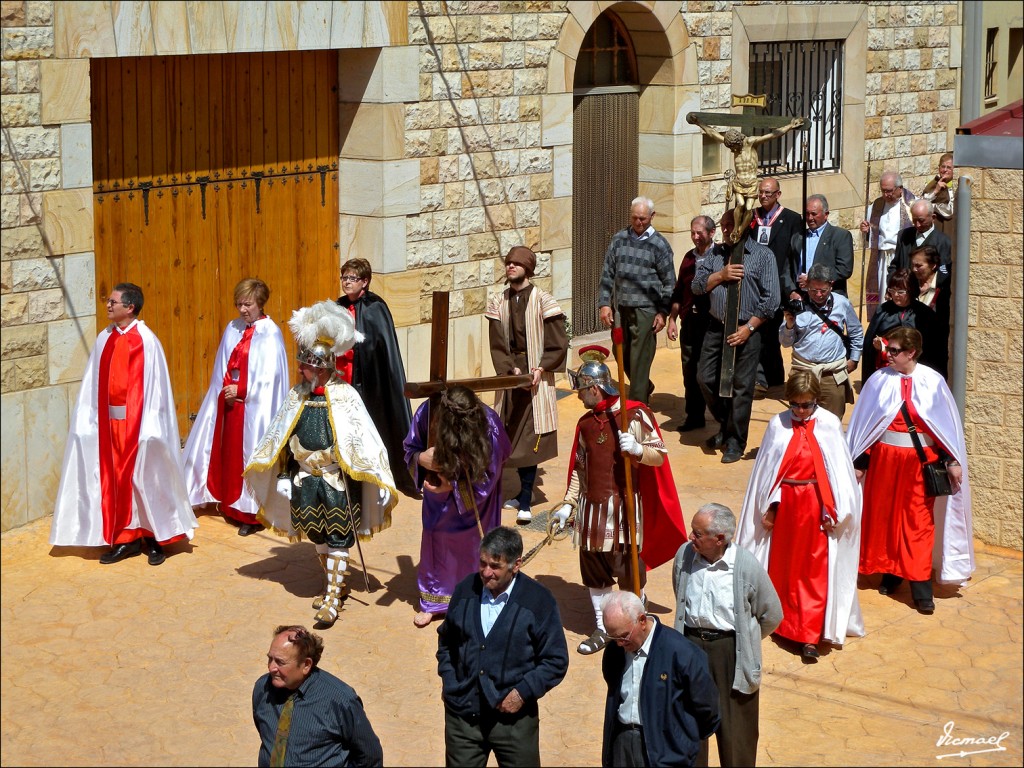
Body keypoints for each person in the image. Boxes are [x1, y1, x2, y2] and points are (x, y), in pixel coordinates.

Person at [245, 300, 398, 627]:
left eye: (307, 366)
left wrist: (377, 477)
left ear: (324, 368)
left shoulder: (346, 397)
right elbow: (282, 439)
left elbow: (364, 440)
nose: (301, 370)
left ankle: (332, 597)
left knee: (339, 535)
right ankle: (334, 585)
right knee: (317, 534)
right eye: (302, 365)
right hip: (305, 481)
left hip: (337, 482)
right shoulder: (296, 396)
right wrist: (285, 474)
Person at [552, 346, 688, 655]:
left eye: (582, 390)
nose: (578, 396)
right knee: (595, 572)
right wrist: (567, 504)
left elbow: (659, 455)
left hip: (624, 512)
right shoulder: (585, 424)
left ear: (595, 387)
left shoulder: (634, 414)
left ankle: (637, 626)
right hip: (590, 513)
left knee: (630, 574)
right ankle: (603, 628)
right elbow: (579, 468)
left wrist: (639, 450)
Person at [50, 282, 197, 566]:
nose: (108, 305)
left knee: (146, 479)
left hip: (140, 426)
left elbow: (156, 389)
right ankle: (124, 540)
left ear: (129, 307)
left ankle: (154, 539)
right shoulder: (104, 338)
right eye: (108, 300)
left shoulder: (146, 340)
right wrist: (88, 421)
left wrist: (150, 429)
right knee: (116, 482)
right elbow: (93, 385)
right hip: (109, 427)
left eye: (113, 302)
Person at [736, 372, 864, 663]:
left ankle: (808, 635)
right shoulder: (776, 424)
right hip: (786, 507)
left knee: (814, 569)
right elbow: (767, 473)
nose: (800, 411)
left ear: (816, 401)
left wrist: (835, 510)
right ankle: (783, 624)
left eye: (806, 405)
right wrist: (769, 506)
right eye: (794, 405)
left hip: (817, 506)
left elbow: (839, 474)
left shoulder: (830, 425)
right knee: (785, 567)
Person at [847, 327, 974, 615]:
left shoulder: (933, 382)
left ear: (911, 352)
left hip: (920, 463)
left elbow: (944, 427)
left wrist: (952, 461)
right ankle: (891, 572)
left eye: (893, 351)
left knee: (917, 522)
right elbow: (867, 426)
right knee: (885, 518)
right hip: (883, 462)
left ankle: (920, 586)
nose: (886, 354)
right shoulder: (878, 380)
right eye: (888, 349)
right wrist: (859, 463)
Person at [436, 526, 569, 768]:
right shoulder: (466, 589)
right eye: (483, 563)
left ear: (516, 565)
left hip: (514, 723)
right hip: (463, 717)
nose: (486, 573)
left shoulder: (538, 601)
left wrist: (521, 693)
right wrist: (449, 680)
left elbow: (555, 661)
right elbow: (446, 642)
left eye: (495, 566)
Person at [673, 503, 783, 767]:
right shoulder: (684, 556)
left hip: (730, 651)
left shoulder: (745, 565)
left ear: (719, 539)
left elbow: (771, 615)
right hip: (691, 646)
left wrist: (745, 641)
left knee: (736, 729)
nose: (691, 538)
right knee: (690, 718)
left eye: (698, 534)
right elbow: (680, 592)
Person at [182, 278, 290, 536]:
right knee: (229, 454)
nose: (243, 310)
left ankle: (251, 514)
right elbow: (223, 365)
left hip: (254, 408)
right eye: (239, 304)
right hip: (230, 405)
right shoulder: (233, 328)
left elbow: (271, 377)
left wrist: (243, 391)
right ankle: (230, 504)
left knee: (249, 455)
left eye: (248, 304)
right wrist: (225, 391)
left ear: (260, 303)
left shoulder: (270, 332)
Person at [404, 385, 512, 628]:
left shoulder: (489, 424)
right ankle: (433, 601)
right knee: (437, 540)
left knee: (476, 546)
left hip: (476, 501)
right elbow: (410, 448)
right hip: (438, 500)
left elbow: (492, 470)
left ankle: (479, 594)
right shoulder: (427, 413)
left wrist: (452, 485)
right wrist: (422, 459)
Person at [486, 246, 569, 524]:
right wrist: (511, 370)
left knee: (530, 439)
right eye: (508, 263)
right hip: (512, 377)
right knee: (507, 436)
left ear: (528, 268)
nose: (510, 266)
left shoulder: (544, 300)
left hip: (537, 377)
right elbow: (497, 342)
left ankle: (525, 499)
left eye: (516, 263)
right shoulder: (499, 302)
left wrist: (541, 367)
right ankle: (520, 493)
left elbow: (558, 341)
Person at [693, 209, 780, 463]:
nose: (725, 230)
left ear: (744, 225)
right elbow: (697, 286)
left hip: (747, 329)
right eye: (722, 225)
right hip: (717, 325)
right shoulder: (716, 254)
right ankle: (726, 424)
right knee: (705, 378)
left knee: (742, 387)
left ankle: (735, 441)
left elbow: (771, 300)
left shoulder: (763, 256)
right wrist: (721, 275)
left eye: (729, 225)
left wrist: (749, 328)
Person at [601, 590, 721, 768]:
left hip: (666, 753)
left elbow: (708, 710)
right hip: (623, 744)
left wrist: (682, 743)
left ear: (642, 621)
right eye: (614, 637)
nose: (619, 643)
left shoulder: (682, 652)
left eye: (624, 636)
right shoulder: (615, 651)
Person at [336, 258, 419, 498]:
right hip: (344, 379)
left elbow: (380, 348)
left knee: (375, 427)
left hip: (372, 382)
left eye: (352, 278)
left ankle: (383, 474)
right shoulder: (338, 306)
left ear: (365, 281)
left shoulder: (376, 307)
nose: (346, 282)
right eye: (344, 277)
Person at [253, 624, 383, 767]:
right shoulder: (262, 688)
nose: (271, 667)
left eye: (280, 662)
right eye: (270, 658)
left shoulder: (341, 700)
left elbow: (370, 756)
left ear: (306, 665)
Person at [597, 196, 676, 404]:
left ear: (652, 216)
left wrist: (663, 313)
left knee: (640, 360)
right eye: (635, 218)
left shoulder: (660, 245)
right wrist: (605, 303)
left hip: (646, 311)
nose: (639, 222)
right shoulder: (619, 239)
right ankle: (644, 385)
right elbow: (607, 274)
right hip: (621, 309)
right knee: (621, 353)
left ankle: (636, 407)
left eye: (643, 218)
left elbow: (670, 283)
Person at [686, 113, 806, 240]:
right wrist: (699, 123)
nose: (733, 151)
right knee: (740, 205)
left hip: (751, 183)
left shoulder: (751, 142)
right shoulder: (732, 145)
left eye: (734, 147)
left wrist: (790, 126)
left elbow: (772, 135)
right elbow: (713, 134)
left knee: (749, 208)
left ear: (738, 142)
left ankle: (740, 230)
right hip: (738, 183)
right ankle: (736, 229)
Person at [779, 264, 863, 421]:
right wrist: (789, 324)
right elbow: (784, 343)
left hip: (832, 374)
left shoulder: (842, 303)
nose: (818, 294)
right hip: (803, 372)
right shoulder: (797, 304)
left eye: (823, 290)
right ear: (807, 285)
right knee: (800, 419)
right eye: (813, 290)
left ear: (831, 285)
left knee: (832, 421)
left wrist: (855, 358)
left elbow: (856, 332)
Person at [750, 177, 804, 392]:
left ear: (778, 195)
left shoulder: (791, 219)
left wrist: (791, 286)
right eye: (761, 192)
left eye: (768, 193)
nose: (763, 196)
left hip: (780, 283)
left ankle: (773, 375)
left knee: (773, 331)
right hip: (755, 284)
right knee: (759, 330)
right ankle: (759, 378)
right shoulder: (751, 217)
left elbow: (795, 254)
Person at [667, 215, 716, 432]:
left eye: (700, 233)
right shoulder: (688, 258)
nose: (695, 237)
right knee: (689, 370)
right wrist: (672, 320)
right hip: (690, 322)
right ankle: (694, 416)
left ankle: (719, 414)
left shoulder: (720, 256)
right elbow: (679, 292)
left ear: (711, 233)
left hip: (711, 324)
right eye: (692, 232)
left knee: (706, 373)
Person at [861, 269, 941, 381]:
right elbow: (870, 344)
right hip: (886, 371)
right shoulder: (883, 310)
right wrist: (878, 346)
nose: (895, 295)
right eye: (892, 291)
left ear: (911, 290)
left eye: (901, 292)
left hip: (915, 373)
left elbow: (931, 348)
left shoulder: (924, 314)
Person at [859, 171, 916, 320]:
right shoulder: (876, 206)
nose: (886, 194)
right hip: (881, 258)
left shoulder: (912, 205)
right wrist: (866, 231)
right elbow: (870, 237)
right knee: (881, 290)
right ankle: (882, 321)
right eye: (883, 190)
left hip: (902, 257)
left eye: (889, 191)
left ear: (900, 188)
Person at [787, 193, 855, 300]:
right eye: (807, 213)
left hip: (828, 298)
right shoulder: (797, 237)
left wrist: (812, 280)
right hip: (801, 298)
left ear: (826, 214)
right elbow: (787, 268)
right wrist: (791, 291)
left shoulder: (840, 236)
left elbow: (844, 269)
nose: (810, 218)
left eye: (814, 214)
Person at [909, 245, 951, 378]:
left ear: (933, 265)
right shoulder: (909, 284)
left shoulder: (945, 286)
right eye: (913, 265)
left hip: (935, 350)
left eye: (919, 266)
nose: (914, 269)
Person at [890, 199, 952, 276]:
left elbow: (943, 272)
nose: (917, 224)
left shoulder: (943, 242)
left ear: (933, 217)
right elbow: (895, 265)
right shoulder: (904, 235)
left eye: (921, 220)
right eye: (914, 220)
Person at [920, 152, 955, 242]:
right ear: (939, 168)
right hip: (937, 226)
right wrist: (936, 190)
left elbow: (952, 209)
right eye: (943, 167)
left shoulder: (956, 184)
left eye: (949, 167)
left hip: (952, 226)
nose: (945, 170)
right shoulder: (933, 184)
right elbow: (922, 203)